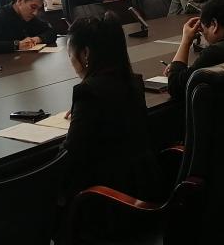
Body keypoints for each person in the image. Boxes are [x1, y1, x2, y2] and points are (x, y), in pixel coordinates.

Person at [61, 16, 159, 203]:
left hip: (108, 200)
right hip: (144, 187)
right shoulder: (133, 82)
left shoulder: (88, 92)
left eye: (70, 55)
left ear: (85, 54)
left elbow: (71, 154)